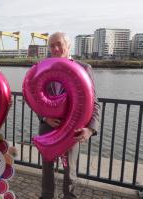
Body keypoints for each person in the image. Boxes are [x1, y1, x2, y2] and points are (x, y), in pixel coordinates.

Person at [38, 32, 100, 199]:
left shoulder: (84, 68)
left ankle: (69, 197)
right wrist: (44, 117)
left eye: (59, 44)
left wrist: (90, 129)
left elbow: (94, 103)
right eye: (51, 46)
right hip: (48, 127)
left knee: (70, 169)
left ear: (68, 45)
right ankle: (46, 196)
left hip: (74, 129)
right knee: (47, 167)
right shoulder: (44, 67)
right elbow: (36, 98)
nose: (56, 49)